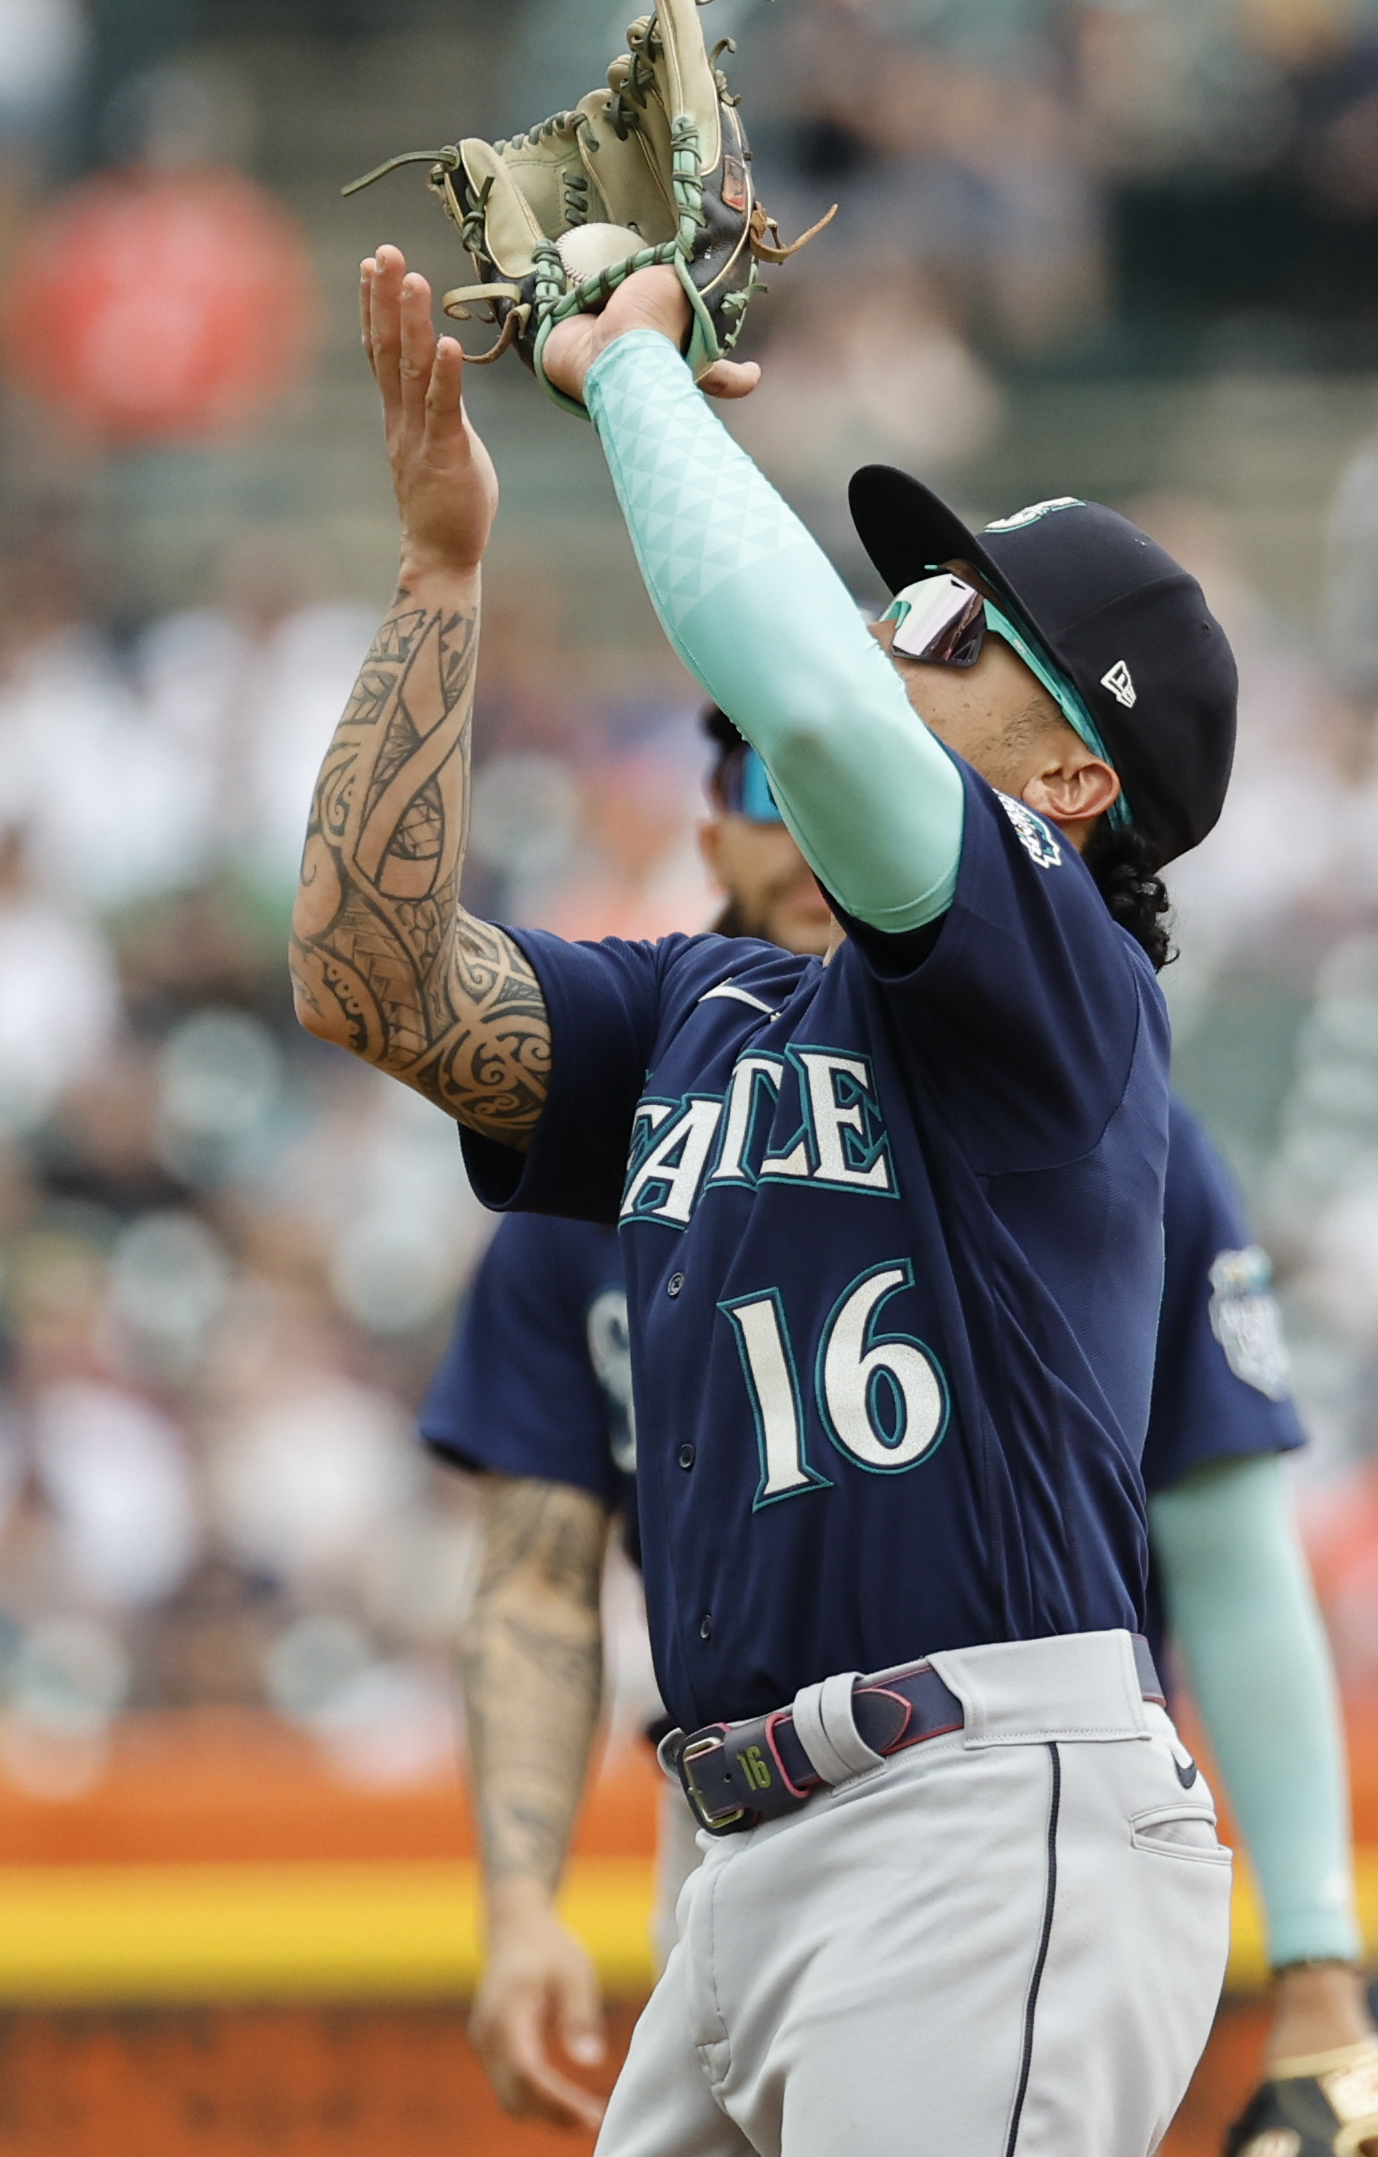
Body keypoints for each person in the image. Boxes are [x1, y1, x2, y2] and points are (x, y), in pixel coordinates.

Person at [293, 246, 1238, 2157]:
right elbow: (368, 980)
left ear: (1070, 773)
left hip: (974, 1814)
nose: (902, 627)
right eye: (903, 597)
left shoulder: (1060, 982)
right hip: (737, 1862)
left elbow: (802, 704)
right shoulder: (705, 1004)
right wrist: (442, 576)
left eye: (958, 617)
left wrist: (631, 369)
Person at [422, 709, 1373, 2142]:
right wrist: (516, 1901)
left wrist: (1314, 1960)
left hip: (993, 1821)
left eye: (848, 762)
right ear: (712, 838)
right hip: (730, 1826)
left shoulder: (1093, 1113)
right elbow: (537, 1569)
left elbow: (1230, 1552)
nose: (811, 807)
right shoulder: (607, 1162)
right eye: (766, 773)